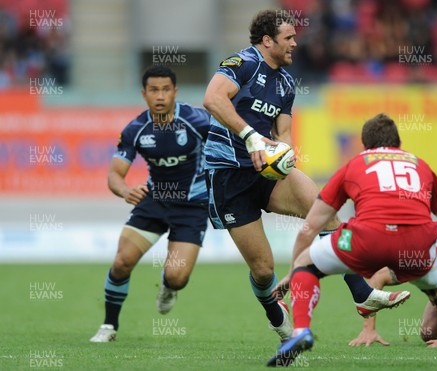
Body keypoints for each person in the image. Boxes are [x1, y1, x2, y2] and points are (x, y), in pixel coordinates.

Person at [202, 9, 406, 343]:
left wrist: (283, 153)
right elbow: (212, 98)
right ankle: (273, 313)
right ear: (267, 41)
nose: (295, 43)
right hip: (228, 177)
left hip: (265, 172)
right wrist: (251, 137)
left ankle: (361, 293)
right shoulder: (244, 64)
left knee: (323, 211)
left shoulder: (284, 81)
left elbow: (283, 131)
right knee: (264, 269)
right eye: (288, 38)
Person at [267, 113, 437, 367]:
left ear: (365, 144)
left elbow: (310, 227)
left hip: (368, 239)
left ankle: (301, 331)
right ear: (398, 143)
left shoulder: (355, 164)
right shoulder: (420, 166)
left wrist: (293, 274)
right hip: (417, 246)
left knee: (306, 264)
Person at [90, 65, 211, 342]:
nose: (160, 96)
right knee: (122, 262)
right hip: (154, 201)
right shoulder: (135, 129)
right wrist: (124, 191)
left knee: (177, 277)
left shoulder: (198, 121)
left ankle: (169, 286)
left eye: (165, 89)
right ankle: (109, 326)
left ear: (175, 92)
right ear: (144, 94)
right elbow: (114, 175)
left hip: (191, 207)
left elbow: (229, 144)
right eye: (154, 90)